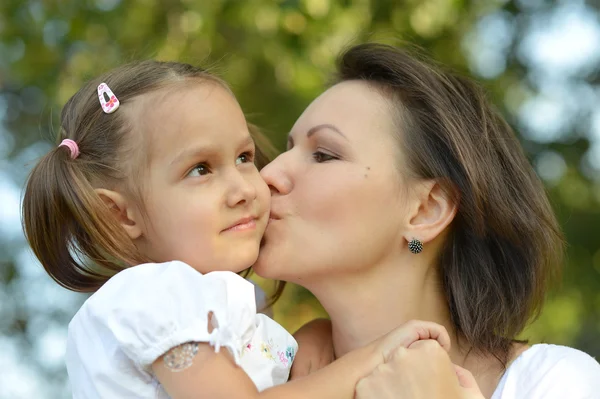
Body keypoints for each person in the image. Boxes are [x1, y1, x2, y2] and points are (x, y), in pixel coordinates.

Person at [21, 59, 451, 398]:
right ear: (121, 216)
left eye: (244, 157)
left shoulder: (217, 309)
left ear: (424, 209)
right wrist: (370, 358)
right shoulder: (153, 299)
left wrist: (309, 342)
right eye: (200, 169)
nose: (253, 184)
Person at [254, 43, 600, 398]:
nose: (267, 174)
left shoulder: (555, 383)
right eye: (287, 148)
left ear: (426, 211)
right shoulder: (253, 370)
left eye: (324, 155)